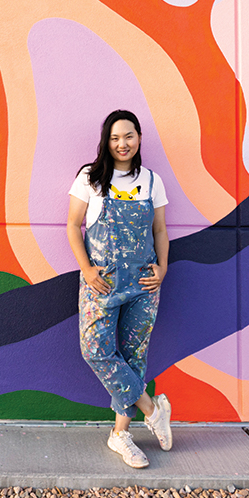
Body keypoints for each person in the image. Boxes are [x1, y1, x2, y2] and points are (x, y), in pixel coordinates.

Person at [67, 109, 172, 468]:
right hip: (102, 284)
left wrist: (163, 268)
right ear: (106, 142)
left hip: (144, 284)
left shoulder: (151, 181)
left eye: (128, 136)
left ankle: (121, 435)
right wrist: (86, 269)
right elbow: (72, 225)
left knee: (133, 357)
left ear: (139, 138)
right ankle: (152, 408)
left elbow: (160, 230)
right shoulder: (89, 178)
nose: (121, 144)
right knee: (95, 349)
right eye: (114, 138)